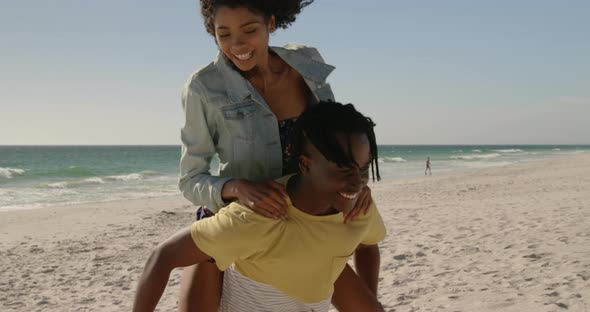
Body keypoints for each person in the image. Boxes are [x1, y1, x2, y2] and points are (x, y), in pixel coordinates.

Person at [178, 0, 377, 311]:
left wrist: (356, 184)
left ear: (270, 23)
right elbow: (190, 180)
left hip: (306, 215)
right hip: (239, 220)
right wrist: (237, 187)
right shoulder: (203, 87)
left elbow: (336, 137)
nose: (237, 44)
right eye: (224, 34)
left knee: (365, 251)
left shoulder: (307, 64)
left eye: (249, 30)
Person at [134, 102, 386, 312]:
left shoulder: (359, 207)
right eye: (343, 168)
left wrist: (370, 296)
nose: (357, 182)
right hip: (223, 252)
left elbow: (366, 244)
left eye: (363, 169)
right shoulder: (258, 217)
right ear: (305, 164)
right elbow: (162, 256)